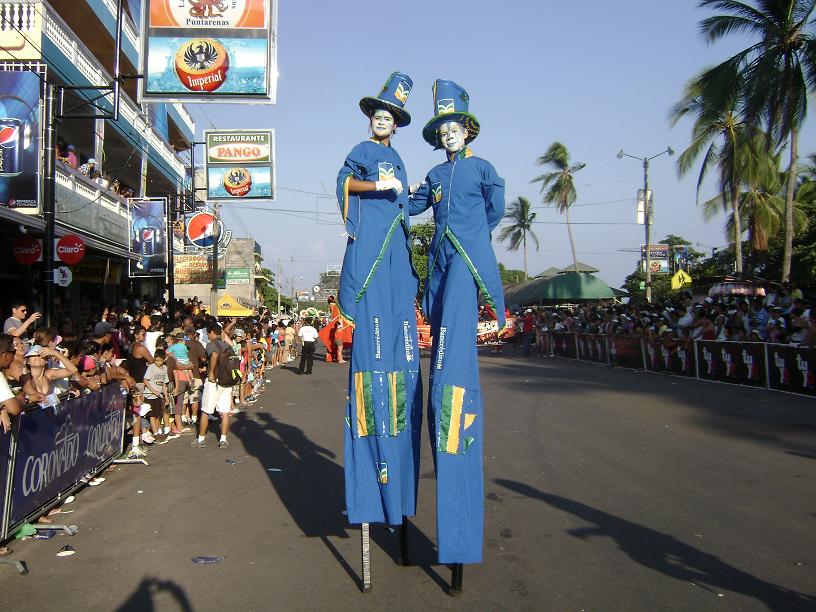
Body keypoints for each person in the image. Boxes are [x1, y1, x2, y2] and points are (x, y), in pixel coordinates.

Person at [408, 79, 506, 565]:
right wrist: (391, 193)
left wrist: (474, 235)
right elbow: (414, 206)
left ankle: (453, 367)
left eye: (455, 128)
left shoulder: (483, 168)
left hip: (468, 254)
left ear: (468, 131)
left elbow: (496, 209)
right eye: (443, 130)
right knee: (439, 314)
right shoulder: (434, 174)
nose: (450, 135)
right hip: (441, 256)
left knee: (454, 340)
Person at [336, 72, 424, 529]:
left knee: (401, 352)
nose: (383, 120)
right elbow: (344, 183)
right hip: (371, 246)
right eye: (379, 114)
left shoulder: (400, 159)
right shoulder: (363, 150)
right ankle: (373, 474)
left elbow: (407, 205)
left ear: (397, 123)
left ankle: (398, 474)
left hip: (396, 254)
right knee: (372, 357)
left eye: (390, 116)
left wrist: (422, 194)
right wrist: (376, 188)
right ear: (371, 117)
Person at [191, 323, 233, 448]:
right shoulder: (227, 345)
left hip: (214, 382)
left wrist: (210, 373)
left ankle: (201, 440)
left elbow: (214, 355)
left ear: (213, 333)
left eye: (209, 334)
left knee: (206, 410)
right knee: (225, 412)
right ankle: (223, 440)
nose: (208, 336)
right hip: (227, 380)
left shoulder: (211, 345)